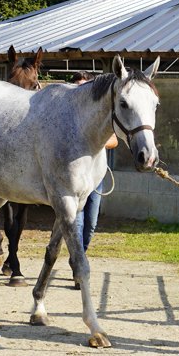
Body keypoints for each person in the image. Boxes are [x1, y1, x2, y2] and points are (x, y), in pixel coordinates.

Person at [71, 71, 118, 287]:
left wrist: (97, 141)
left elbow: (114, 141)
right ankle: (79, 265)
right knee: (78, 222)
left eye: (84, 85)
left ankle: (79, 255)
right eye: (77, 86)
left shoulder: (99, 116)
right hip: (75, 177)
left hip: (95, 176)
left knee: (91, 223)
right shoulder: (69, 116)